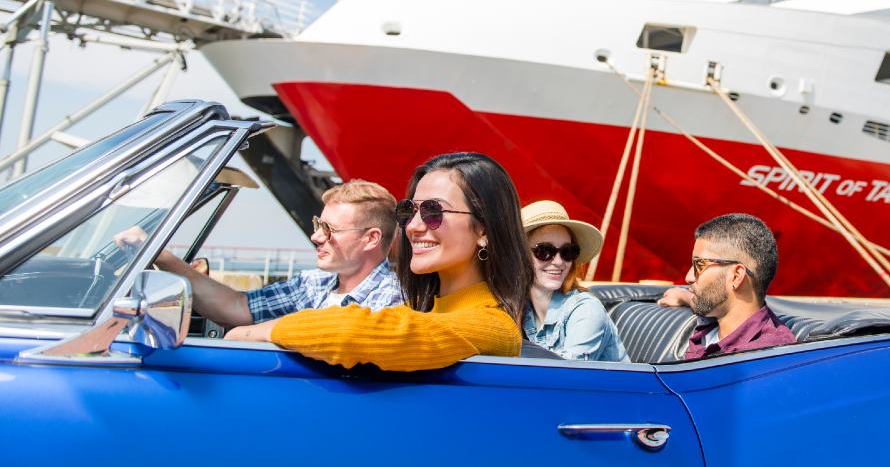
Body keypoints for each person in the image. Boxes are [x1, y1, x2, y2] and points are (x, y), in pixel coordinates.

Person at [225, 152, 529, 372]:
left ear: (484, 230)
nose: (412, 226)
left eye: (434, 212)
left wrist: (246, 334)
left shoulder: (493, 325)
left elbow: (350, 332)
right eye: (410, 211)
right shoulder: (424, 310)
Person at [115, 179, 403, 328]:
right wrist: (164, 259)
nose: (316, 236)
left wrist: (247, 334)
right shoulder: (312, 284)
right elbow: (238, 307)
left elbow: (335, 340)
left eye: (330, 229)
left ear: (371, 239)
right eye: (318, 225)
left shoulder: (392, 296)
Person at [658, 213, 794, 360]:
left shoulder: (764, 359)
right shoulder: (716, 313)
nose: (689, 277)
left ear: (736, 276)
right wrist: (683, 296)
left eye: (699, 264)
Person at [521, 200, 628, 362]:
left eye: (567, 251)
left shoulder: (586, 309)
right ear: (519, 254)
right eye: (544, 251)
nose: (558, 262)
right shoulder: (517, 306)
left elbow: (566, 378)